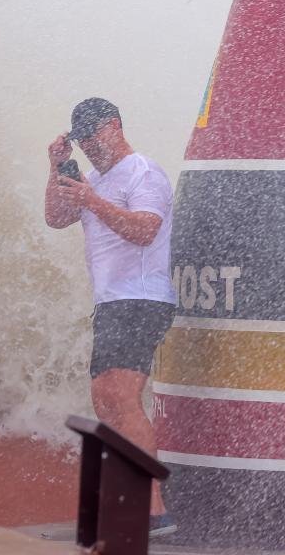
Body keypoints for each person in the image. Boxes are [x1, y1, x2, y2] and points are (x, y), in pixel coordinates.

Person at [44, 98, 177, 537]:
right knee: (106, 399)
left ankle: (153, 510)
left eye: (94, 133)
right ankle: (135, 501)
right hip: (112, 302)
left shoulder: (143, 171)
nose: (88, 143)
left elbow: (145, 230)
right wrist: (58, 168)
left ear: (116, 125)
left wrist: (92, 200)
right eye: (80, 137)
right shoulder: (95, 178)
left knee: (119, 397)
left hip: (141, 298)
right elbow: (56, 218)